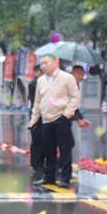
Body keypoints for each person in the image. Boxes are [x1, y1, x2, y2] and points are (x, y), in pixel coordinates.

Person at [29, 55, 80, 188]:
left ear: (55, 62)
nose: (43, 66)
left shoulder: (67, 78)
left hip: (61, 118)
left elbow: (75, 97)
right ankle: (49, 177)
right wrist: (34, 119)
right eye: (41, 64)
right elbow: (37, 102)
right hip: (46, 119)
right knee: (48, 150)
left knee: (64, 150)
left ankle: (65, 178)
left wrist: (67, 114)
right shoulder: (40, 80)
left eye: (46, 63)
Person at [27, 65, 45, 178]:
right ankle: (35, 164)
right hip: (36, 115)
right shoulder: (34, 84)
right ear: (37, 72)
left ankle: (40, 163)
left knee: (43, 140)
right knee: (37, 140)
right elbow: (36, 101)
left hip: (43, 115)